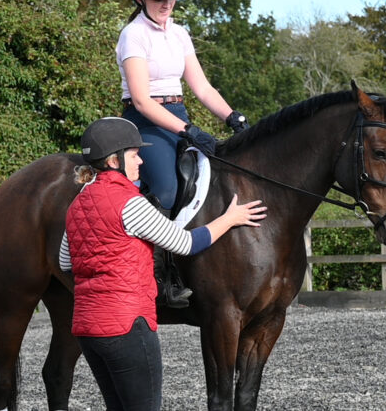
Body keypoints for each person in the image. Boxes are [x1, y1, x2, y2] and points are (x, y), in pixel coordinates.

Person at [59, 117, 266, 411]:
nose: (141, 161)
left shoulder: (78, 201)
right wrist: (229, 219)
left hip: (87, 330)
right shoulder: (131, 204)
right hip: (128, 326)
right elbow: (186, 244)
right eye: (134, 154)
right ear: (114, 161)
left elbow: (65, 262)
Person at [118, 0, 250, 306]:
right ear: (139, 0)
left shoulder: (179, 34)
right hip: (145, 121)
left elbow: (202, 88)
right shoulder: (133, 36)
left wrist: (231, 116)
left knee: (215, 176)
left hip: (178, 113)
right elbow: (144, 101)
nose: (167, 4)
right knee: (167, 184)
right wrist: (189, 129)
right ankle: (160, 276)